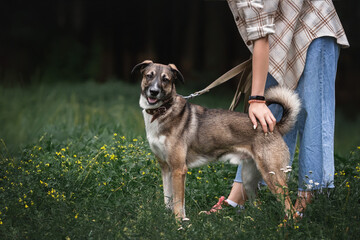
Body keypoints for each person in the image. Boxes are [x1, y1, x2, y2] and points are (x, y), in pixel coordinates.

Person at [206, 0, 349, 216]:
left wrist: (255, 99)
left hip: (313, 29)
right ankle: (238, 198)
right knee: (269, 115)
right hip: (281, 38)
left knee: (314, 118)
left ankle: (308, 201)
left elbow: (260, 34)